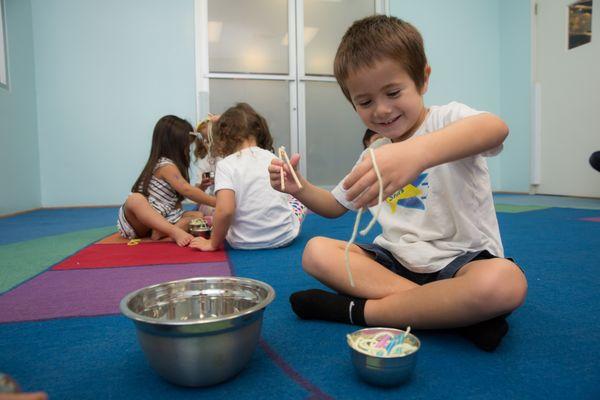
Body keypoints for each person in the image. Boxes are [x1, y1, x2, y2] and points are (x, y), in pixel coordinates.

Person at [268, 15, 527, 351]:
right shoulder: (374, 151)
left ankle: (358, 311)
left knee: (503, 283)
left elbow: (495, 128)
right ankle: (446, 312)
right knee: (316, 252)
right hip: (394, 264)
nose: (382, 110)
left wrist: (416, 152)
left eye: (393, 92)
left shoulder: (447, 119)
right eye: (365, 102)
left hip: (461, 261)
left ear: (423, 80)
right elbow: (334, 206)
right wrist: (299, 187)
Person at [190, 103, 306, 251]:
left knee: (228, 205)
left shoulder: (226, 165)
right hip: (283, 236)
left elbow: (225, 211)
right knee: (298, 200)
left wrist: (212, 243)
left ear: (224, 136)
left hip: (243, 241)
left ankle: (215, 223)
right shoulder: (271, 156)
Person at [117, 115, 216, 246]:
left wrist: (202, 187)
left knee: (197, 215)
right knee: (135, 200)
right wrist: (218, 202)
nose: (188, 150)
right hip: (138, 222)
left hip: (163, 217)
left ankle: (161, 232)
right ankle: (173, 231)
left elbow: (185, 193)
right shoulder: (165, 165)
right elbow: (187, 190)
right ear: (175, 144)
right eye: (186, 146)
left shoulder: (174, 166)